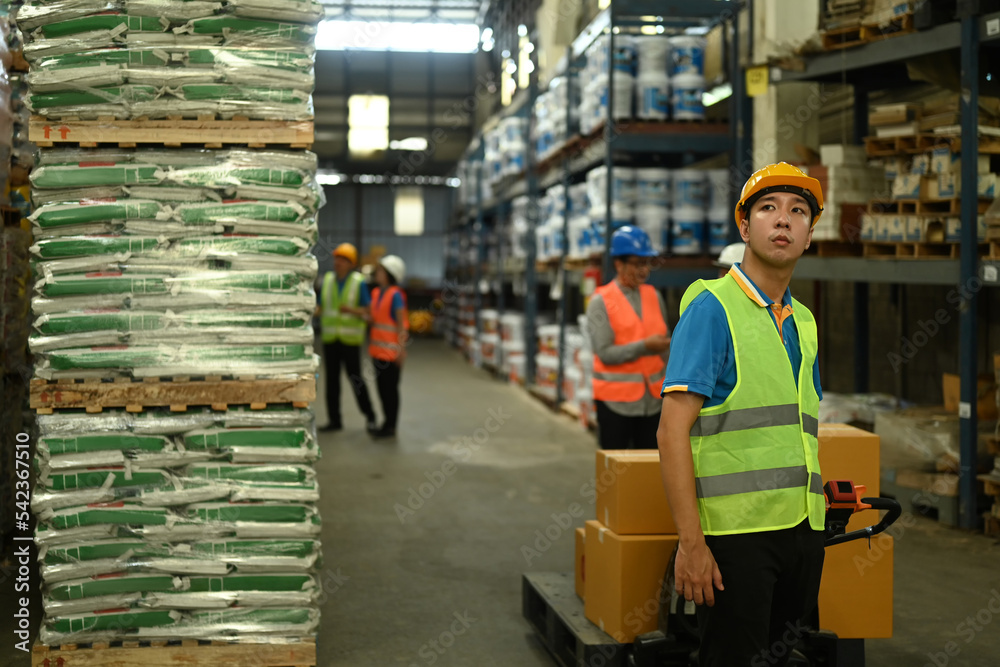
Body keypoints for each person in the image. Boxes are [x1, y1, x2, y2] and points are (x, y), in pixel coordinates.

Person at [657, 163, 826, 667]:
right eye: (768, 208)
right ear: (745, 227)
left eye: (798, 212)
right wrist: (691, 544)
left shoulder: (805, 321)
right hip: (736, 539)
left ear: (809, 235)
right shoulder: (713, 309)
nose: (784, 220)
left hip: (802, 532)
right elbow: (671, 434)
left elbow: (800, 428)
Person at [585, 225, 670, 449]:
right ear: (618, 263)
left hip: (653, 403)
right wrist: (645, 346)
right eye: (637, 263)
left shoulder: (654, 296)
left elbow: (666, 347)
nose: (644, 270)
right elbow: (605, 354)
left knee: (650, 468)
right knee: (617, 474)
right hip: (616, 404)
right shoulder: (600, 302)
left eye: (647, 263)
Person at [319, 243, 377, 432]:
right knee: (331, 382)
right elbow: (320, 307)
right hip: (330, 339)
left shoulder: (358, 282)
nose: (338, 263)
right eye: (337, 258)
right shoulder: (327, 280)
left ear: (351, 264)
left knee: (356, 380)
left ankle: (370, 416)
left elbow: (368, 311)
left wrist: (351, 310)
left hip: (350, 341)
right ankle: (334, 421)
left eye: (343, 260)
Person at [369, 255, 409, 439]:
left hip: (391, 354)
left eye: (381, 270)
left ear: (390, 274)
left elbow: (402, 325)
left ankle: (391, 426)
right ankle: (386, 423)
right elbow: (375, 319)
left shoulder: (396, 295)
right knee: (381, 390)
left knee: (390, 391)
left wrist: (401, 349)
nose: (377, 273)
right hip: (377, 351)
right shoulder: (377, 293)